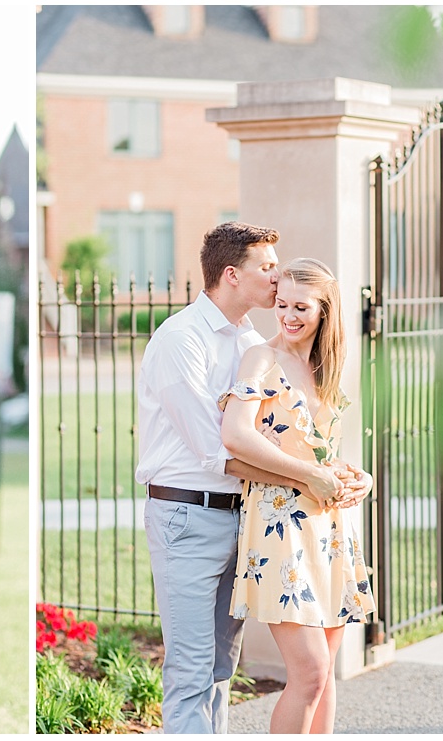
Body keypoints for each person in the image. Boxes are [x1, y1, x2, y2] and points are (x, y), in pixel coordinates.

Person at [135, 222, 369, 734]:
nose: (277, 276)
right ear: (231, 275)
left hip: (243, 514)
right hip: (187, 514)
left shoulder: (250, 339)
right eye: (267, 268)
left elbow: (291, 437)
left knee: (221, 670)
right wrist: (309, 478)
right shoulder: (181, 339)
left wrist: (339, 475)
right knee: (192, 670)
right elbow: (217, 449)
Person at [220, 257, 376, 734]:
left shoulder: (325, 367)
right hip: (278, 531)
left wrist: (360, 478)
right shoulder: (261, 358)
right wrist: (311, 474)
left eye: (300, 307)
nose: (287, 316)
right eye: (282, 304)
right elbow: (234, 436)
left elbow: (326, 450)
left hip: (329, 529)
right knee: (308, 673)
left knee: (325, 676)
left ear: (325, 310)